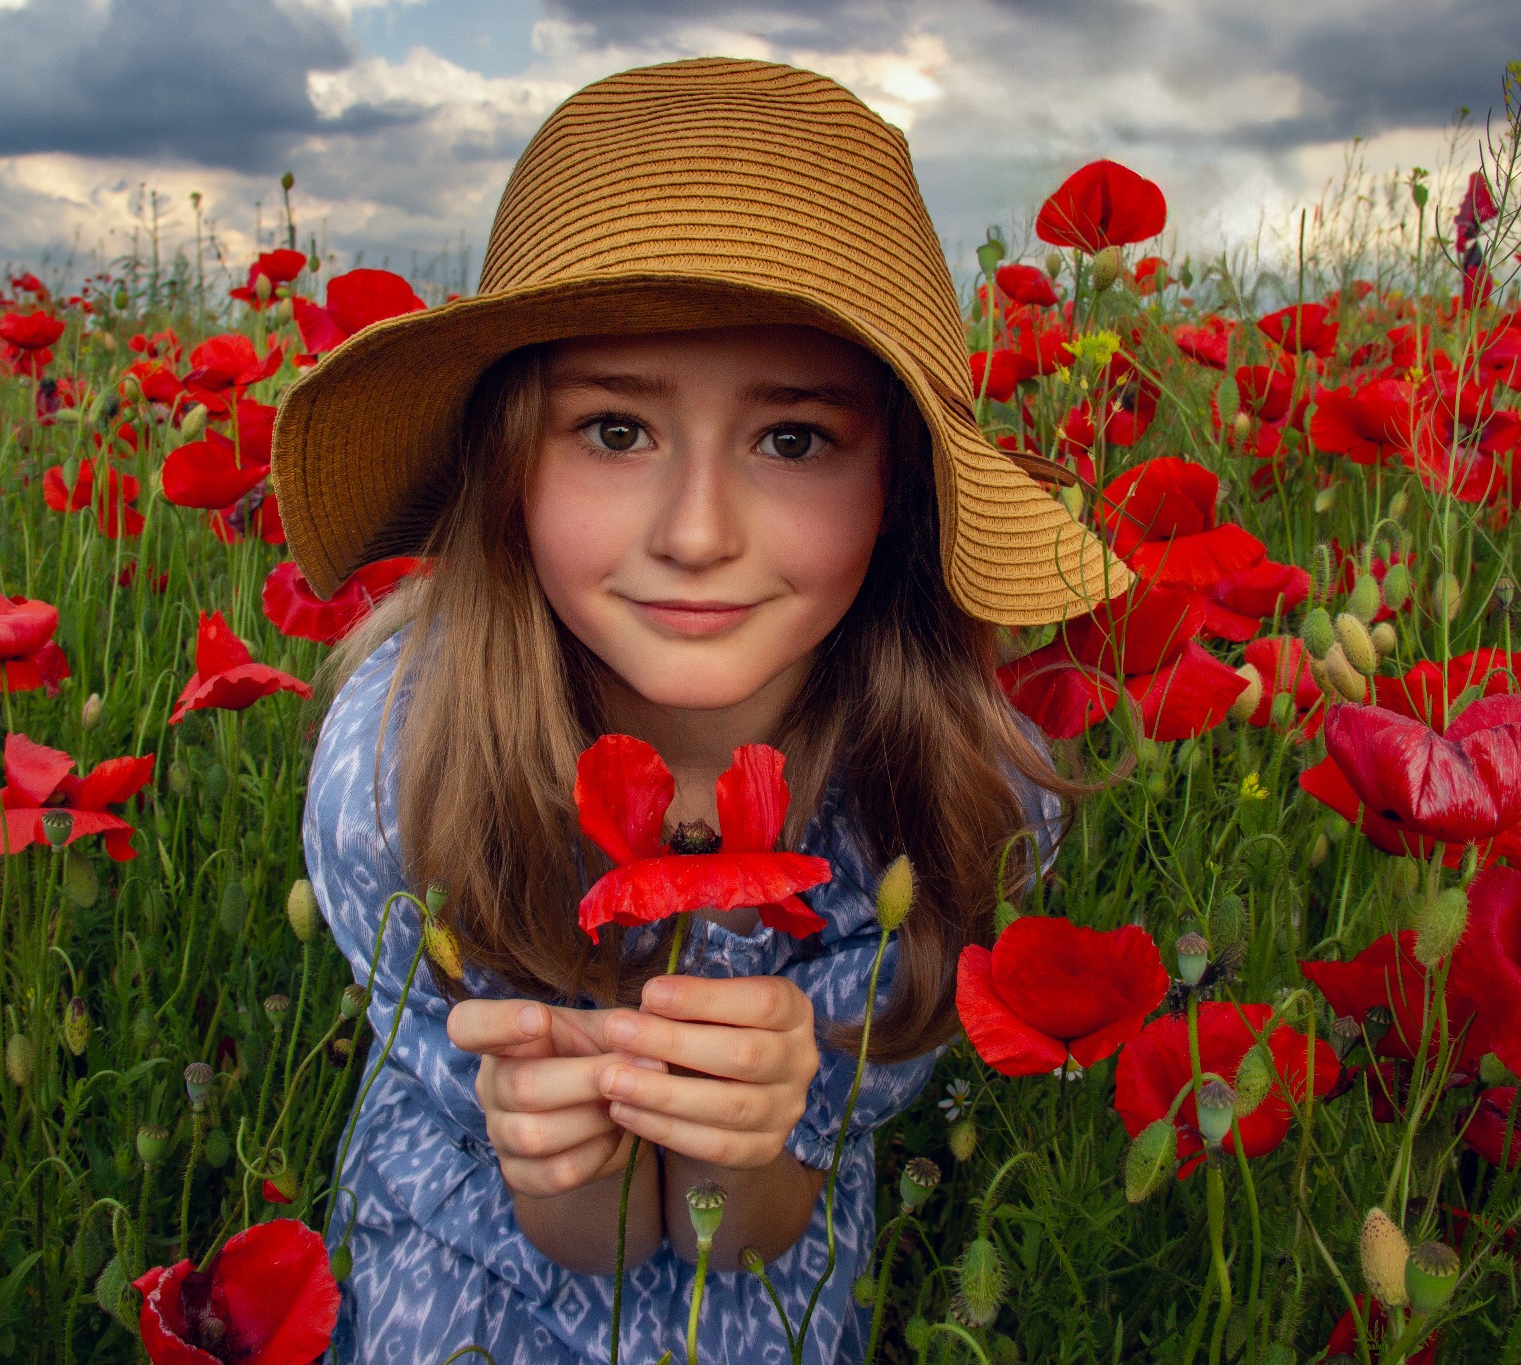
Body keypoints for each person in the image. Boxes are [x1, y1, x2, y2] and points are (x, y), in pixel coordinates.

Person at [275, 56, 1132, 1364]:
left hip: (760, 1279)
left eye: (792, 440)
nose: (694, 534)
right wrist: (569, 1148)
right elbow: (585, 1233)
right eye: (616, 430)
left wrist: (759, 1129)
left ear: (898, 483)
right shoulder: (402, 769)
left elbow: (748, 1231)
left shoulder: (951, 800)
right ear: (510, 460)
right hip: (468, 1253)